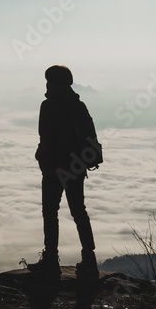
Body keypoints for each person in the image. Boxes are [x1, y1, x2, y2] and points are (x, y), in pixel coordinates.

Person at [28, 64, 99, 278]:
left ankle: (51, 260)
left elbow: (46, 137)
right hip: (76, 166)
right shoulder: (79, 105)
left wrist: (41, 159)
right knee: (79, 212)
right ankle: (89, 259)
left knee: (50, 213)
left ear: (53, 83)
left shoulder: (49, 105)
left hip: (55, 166)